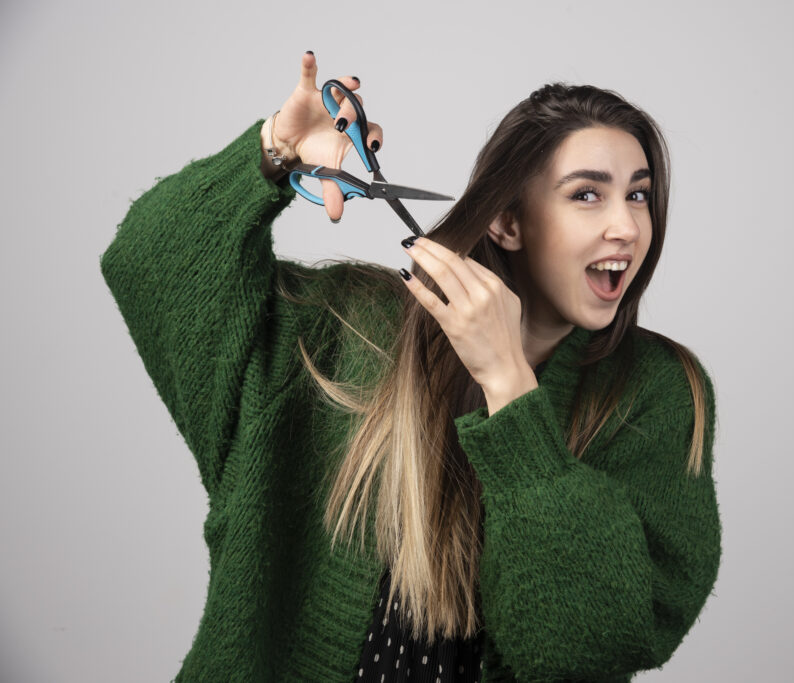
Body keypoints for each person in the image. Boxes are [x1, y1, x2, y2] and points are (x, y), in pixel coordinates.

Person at [101, 51, 721, 682]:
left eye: (639, 195)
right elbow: (149, 263)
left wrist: (509, 386)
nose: (626, 226)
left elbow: (585, 647)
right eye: (587, 194)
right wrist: (272, 153)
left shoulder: (658, 392)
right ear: (508, 221)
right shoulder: (350, 331)